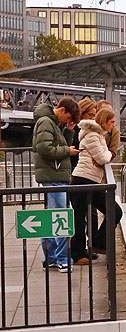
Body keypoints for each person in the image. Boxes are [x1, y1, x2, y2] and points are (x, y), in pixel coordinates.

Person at [33, 97, 80, 273]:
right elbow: (45, 149)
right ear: (62, 110)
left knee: (51, 219)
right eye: (67, 118)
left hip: (52, 175)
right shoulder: (46, 122)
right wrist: (68, 151)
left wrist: (68, 131)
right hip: (53, 176)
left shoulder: (50, 123)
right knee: (62, 218)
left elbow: (56, 145)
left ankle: (51, 258)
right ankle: (62, 259)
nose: (67, 122)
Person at [71, 108, 123, 265]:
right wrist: (103, 157)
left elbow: (105, 156)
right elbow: (104, 157)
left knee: (84, 216)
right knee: (81, 217)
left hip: (89, 180)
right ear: (104, 121)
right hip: (83, 179)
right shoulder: (93, 136)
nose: (114, 126)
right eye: (112, 122)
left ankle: (95, 245)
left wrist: (104, 157)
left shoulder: (98, 135)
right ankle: (80, 253)